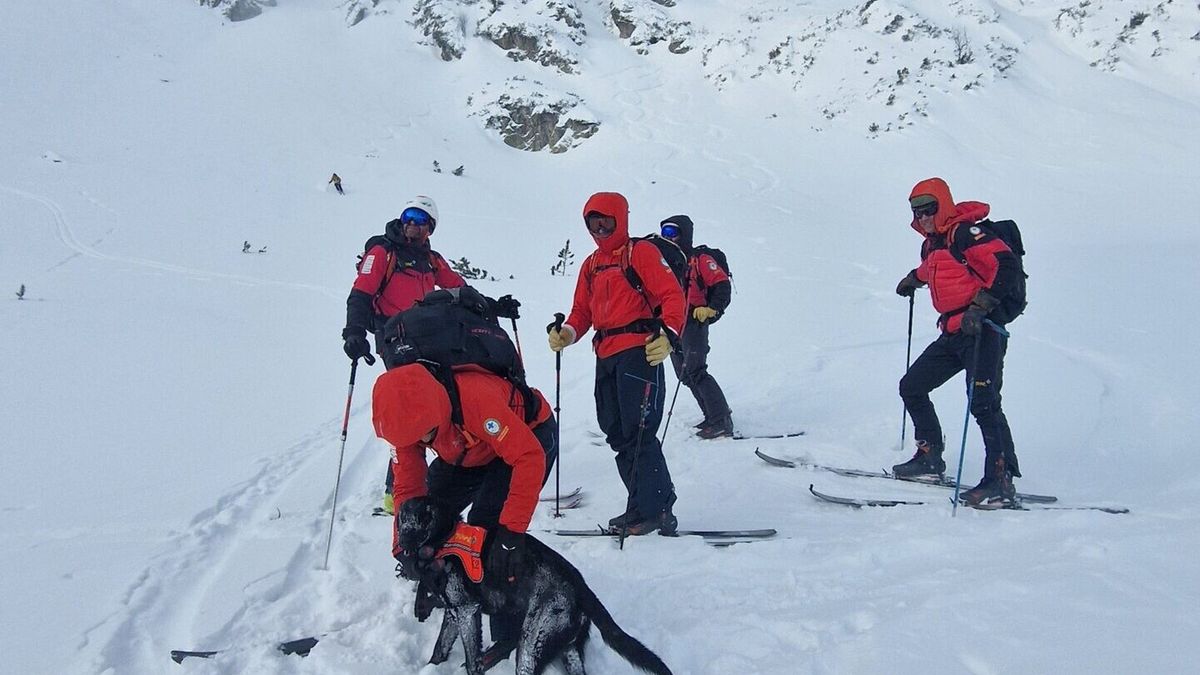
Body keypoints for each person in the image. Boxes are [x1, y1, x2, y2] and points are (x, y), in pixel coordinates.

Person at [373, 363, 557, 666]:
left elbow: (528, 456)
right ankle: (446, 586)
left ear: (436, 411)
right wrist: (405, 544)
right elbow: (409, 489)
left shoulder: (476, 398)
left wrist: (511, 532)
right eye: (416, 440)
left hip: (527, 437)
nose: (421, 443)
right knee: (432, 516)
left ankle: (507, 624)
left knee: (488, 530)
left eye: (425, 435)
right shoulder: (405, 422)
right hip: (466, 450)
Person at [548, 192, 686, 535]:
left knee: (639, 432)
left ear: (620, 220)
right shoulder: (591, 265)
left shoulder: (640, 253)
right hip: (605, 353)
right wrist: (566, 332)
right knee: (616, 430)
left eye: (605, 222)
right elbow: (582, 311)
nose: (599, 229)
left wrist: (668, 334)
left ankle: (656, 509)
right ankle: (642, 504)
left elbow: (672, 295)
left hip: (640, 351)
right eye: (593, 223)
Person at [892, 177, 1023, 506]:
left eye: (928, 209)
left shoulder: (966, 233)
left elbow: (1004, 265)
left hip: (982, 330)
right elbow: (937, 268)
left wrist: (981, 306)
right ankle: (930, 455)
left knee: (984, 403)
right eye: (916, 211)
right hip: (953, 331)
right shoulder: (935, 242)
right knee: (912, 386)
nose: (922, 216)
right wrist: (914, 279)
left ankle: (1000, 480)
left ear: (943, 204)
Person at [342, 195, 466, 514]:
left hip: (424, 336)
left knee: (440, 400)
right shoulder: (383, 251)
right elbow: (360, 293)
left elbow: (456, 287)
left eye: (422, 219)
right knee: (411, 406)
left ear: (431, 228)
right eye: (409, 215)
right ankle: (397, 491)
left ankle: (424, 480)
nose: (413, 223)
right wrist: (354, 331)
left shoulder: (431, 259)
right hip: (392, 335)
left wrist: (487, 304)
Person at [659, 215, 734, 439]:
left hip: (694, 320)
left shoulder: (699, 259)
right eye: (664, 233)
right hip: (672, 322)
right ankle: (712, 416)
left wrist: (712, 309)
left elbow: (721, 284)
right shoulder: (666, 260)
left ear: (684, 234)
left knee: (696, 370)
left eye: (673, 233)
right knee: (684, 374)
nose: (668, 238)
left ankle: (721, 419)